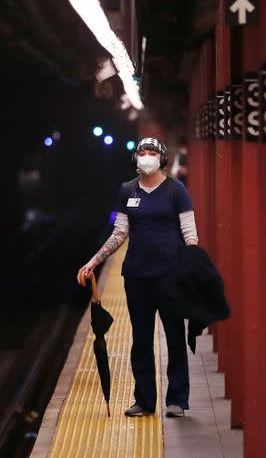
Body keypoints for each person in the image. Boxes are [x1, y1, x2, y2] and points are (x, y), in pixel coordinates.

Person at [76, 137, 199, 418]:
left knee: (174, 336)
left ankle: (177, 400)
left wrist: (193, 267)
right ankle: (144, 401)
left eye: (152, 152)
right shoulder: (127, 190)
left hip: (170, 276)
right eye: (141, 152)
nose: (146, 156)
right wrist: (94, 261)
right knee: (141, 339)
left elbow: (190, 233)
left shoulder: (176, 190)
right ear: (136, 158)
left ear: (162, 157)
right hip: (136, 276)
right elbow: (119, 232)